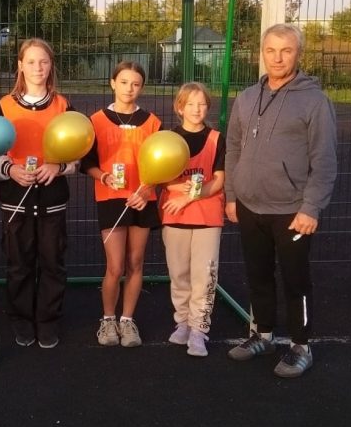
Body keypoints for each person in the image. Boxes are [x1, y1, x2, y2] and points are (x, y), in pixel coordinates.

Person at [225, 23, 337, 378]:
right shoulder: (246, 97)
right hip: (249, 206)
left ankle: (301, 345)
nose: (277, 58)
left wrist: (311, 207)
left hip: (291, 211)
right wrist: (232, 195)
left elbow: (325, 159)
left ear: (298, 54)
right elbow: (233, 148)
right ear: (262, 52)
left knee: (295, 280)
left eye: (286, 50)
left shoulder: (315, 101)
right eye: (271, 50)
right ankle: (263, 335)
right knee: (258, 274)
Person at [0, 38, 77, 349]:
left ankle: (47, 321)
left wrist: (59, 166)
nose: (37, 68)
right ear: (20, 65)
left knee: (52, 262)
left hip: (52, 198)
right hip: (15, 198)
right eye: (30, 61)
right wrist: (11, 170)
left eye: (43, 61)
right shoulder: (3, 106)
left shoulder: (63, 105)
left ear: (51, 65)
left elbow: (77, 154)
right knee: (19, 263)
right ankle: (21, 319)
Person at [81, 61, 160, 348]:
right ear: (113, 83)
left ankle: (127, 320)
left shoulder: (152, 122)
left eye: (136, 84)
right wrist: (103, 176)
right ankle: (108, 319)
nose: (129, 88)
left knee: (135, 263)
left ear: (142, 87)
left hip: (142, 198)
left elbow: (161, 164)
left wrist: (146, 190)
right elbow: (87, 163)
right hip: (111, 198)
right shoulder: (96, 120)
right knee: (114, 266)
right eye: (124, 82)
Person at [159, 82, 225, 358]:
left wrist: (188, 197)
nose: (197, 109)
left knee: (204, 274)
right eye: (191, 104)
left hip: (206, 216)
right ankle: (183, 322)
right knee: (179, 274)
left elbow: (218, 181)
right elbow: (161, 176)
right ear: (180, 107)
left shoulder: (217, 139)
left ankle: (199, 329)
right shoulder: (168, 139)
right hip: (174, 216)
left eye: (202, 104)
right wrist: (177, 191)